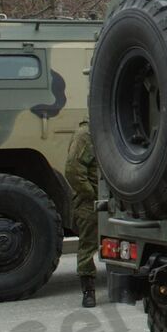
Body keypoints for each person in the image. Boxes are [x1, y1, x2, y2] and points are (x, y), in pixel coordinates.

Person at [65, 118, 100, 307]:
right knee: (87, 247)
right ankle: (88, 291)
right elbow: (73, 169)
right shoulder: (85, 134)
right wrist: (91, 193)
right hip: (91, 202)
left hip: (111, 200)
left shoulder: (105, 131)